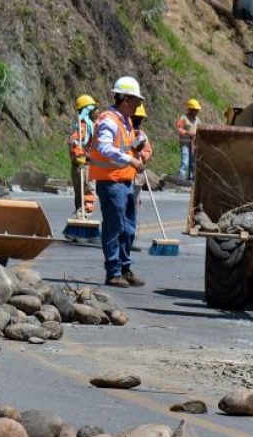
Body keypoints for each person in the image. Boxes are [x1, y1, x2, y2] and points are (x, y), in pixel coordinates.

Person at [87, 76, 147, 288]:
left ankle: (124, 267)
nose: (138, 105)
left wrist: (137, 147)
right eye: (136, 101)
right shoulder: (109, 121)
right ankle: (113, 271)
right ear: (125, 99)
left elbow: (124, 145)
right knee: (115, 226)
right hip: (111, 182)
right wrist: (130, 159)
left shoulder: (125, 120)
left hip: (125, 181)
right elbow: (104, 148)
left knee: (129, 227)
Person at [68, 94, 98, 216]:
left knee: (80, 198)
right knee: (87, 194)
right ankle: (82, 217)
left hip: (79, 166)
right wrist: (82, 155)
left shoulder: (88, 126)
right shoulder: (84, 127)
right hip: (83, 166)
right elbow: (73, 143)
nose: (97, 112)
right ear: (88, 111)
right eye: (94, 109)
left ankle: (80, 215)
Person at [130, 103, 154, 205]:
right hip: (124, 175)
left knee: (133, 204)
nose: (138, 120)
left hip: (138, 177)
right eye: (135, 118)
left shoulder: (142, 135)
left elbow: (148, 152)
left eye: (140, 118)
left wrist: (141, 153)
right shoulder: (124, 132)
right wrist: (134, 147)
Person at [175, 98, 200, 181]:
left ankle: (191, 177)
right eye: (195, 110)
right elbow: (179, 128)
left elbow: (199, 130)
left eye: (197, 110)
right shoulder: (184, 118)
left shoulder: (197, 120)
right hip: (185, 143)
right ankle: (181, 177)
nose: (197, 112)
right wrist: (187, 133)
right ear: (190, 109)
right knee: (185, 160)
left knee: (193, 161)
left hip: (194, 143)